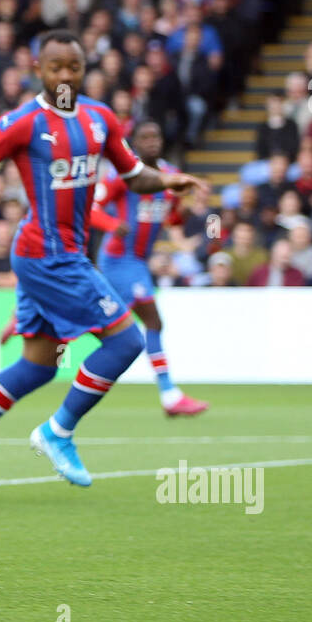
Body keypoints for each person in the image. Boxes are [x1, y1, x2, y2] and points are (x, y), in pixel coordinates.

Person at [0, 31, 208, 500]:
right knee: (127, 339)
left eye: (74, 67)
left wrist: (171, 181)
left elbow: (134, 175)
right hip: (47, 255)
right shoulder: (23, 122)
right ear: (38, 69)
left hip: (57, 255)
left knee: (39, 365)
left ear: (84, 67)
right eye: (56, 68)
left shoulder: (100, 118)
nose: (66, 76)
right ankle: (58, 432)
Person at [89, 120, 209, 416]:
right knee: (151, 321)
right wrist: (113, 224)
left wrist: (185, 214)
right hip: (118, 259)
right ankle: (169, 395)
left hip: (139, 262)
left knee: (117, 327)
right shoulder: (121, 174)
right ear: (135, 144)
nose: (152, 141)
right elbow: (91, 209)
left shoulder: (169, 176)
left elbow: (170, 218)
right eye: (145, 137)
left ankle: (48, 321)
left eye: (156, 136)